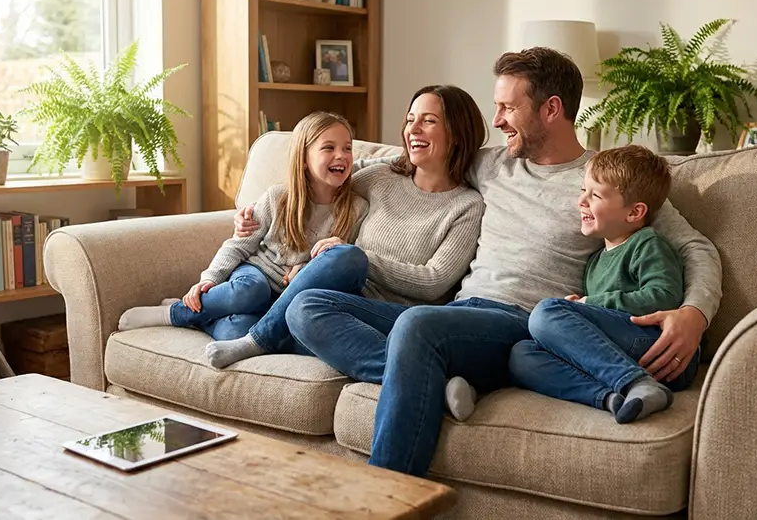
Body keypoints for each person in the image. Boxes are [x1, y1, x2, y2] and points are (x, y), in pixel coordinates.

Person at [267, 47, 722, 478]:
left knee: (417, 326)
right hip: (458, 316)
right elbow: (389, 165)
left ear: (550, 109)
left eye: (508, 108)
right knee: (307, 305)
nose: (498, 120)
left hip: (525, 322)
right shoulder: (491, 164)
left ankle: (388, 494)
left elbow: (693, 247)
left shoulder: (604, 180)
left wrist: (695, 314)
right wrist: (278, 205)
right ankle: (433, 382)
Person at [235, 84, 487, 382]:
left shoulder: (466, 205)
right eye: (410, 119)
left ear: (457, 133)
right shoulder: (381, 176)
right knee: (292, 311)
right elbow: (316, 182)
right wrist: (252, 212)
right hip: (343, 300)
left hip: (396, 315)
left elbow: (435, 282)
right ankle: (430, 380)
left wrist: (361, 258)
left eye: (428, 121)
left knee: (320, 289)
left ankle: (259, 339)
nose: (413, 129)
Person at [116, 111, 369, 369]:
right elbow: (238, 245)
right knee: (252, 290)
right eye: (329, 147)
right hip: (255, 275)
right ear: (303, 158)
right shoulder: (278, 198)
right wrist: (209, 279)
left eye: (348, 148)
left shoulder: (356, 209)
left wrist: (304, 269)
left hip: (284, 301)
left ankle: (204, 318)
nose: (341, 155)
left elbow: (336, 265)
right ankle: (175, 313)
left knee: (236, 331)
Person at [503, 144, 689, 425]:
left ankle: (635, 382)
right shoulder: (594, 261)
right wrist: (582, 307)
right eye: (582, 191)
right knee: (521, 354)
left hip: (659, 349)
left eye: (596, 195)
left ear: (634, 212)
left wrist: (588, 304)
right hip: (617, 353)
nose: (582, 202)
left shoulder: (647, 244)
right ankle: (615, 398)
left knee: (547, 312)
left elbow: (664, 296)